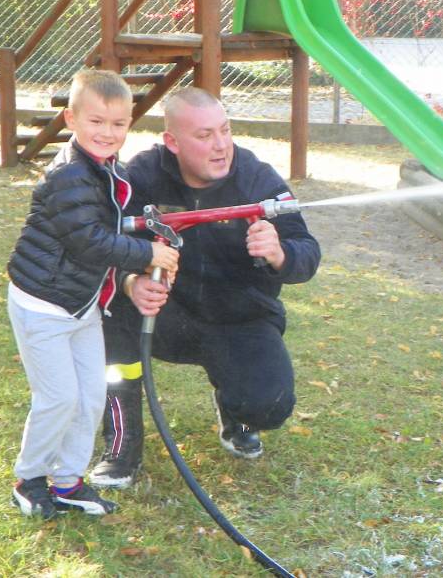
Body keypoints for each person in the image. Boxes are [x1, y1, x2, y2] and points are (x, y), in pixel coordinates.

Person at [89, 87, 320, 489]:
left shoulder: (257, 178)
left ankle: (237, 412)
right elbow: (99, 244)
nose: (220, 146)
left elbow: (308, 251)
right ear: (173, 142)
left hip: (239, 317)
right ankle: (122, 447)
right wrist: (129, 282)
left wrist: (280, 253)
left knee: (269, 405)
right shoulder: (141, 176)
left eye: (225, 131)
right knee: (110, 314)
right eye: (204, 135)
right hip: (166, 314)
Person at [7, 70, 179, 519]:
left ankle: (67, 481)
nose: (107, 132)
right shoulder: (69, 175)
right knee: (59, 398)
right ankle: (29, 480)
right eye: (96, 121)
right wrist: (147, 254)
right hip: (44, 304)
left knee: (90, 397)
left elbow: (114, 227)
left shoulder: (108, 168)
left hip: (82, 304)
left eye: (118, 123)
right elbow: (88, 241)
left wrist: (148, 244)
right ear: (71, 119)